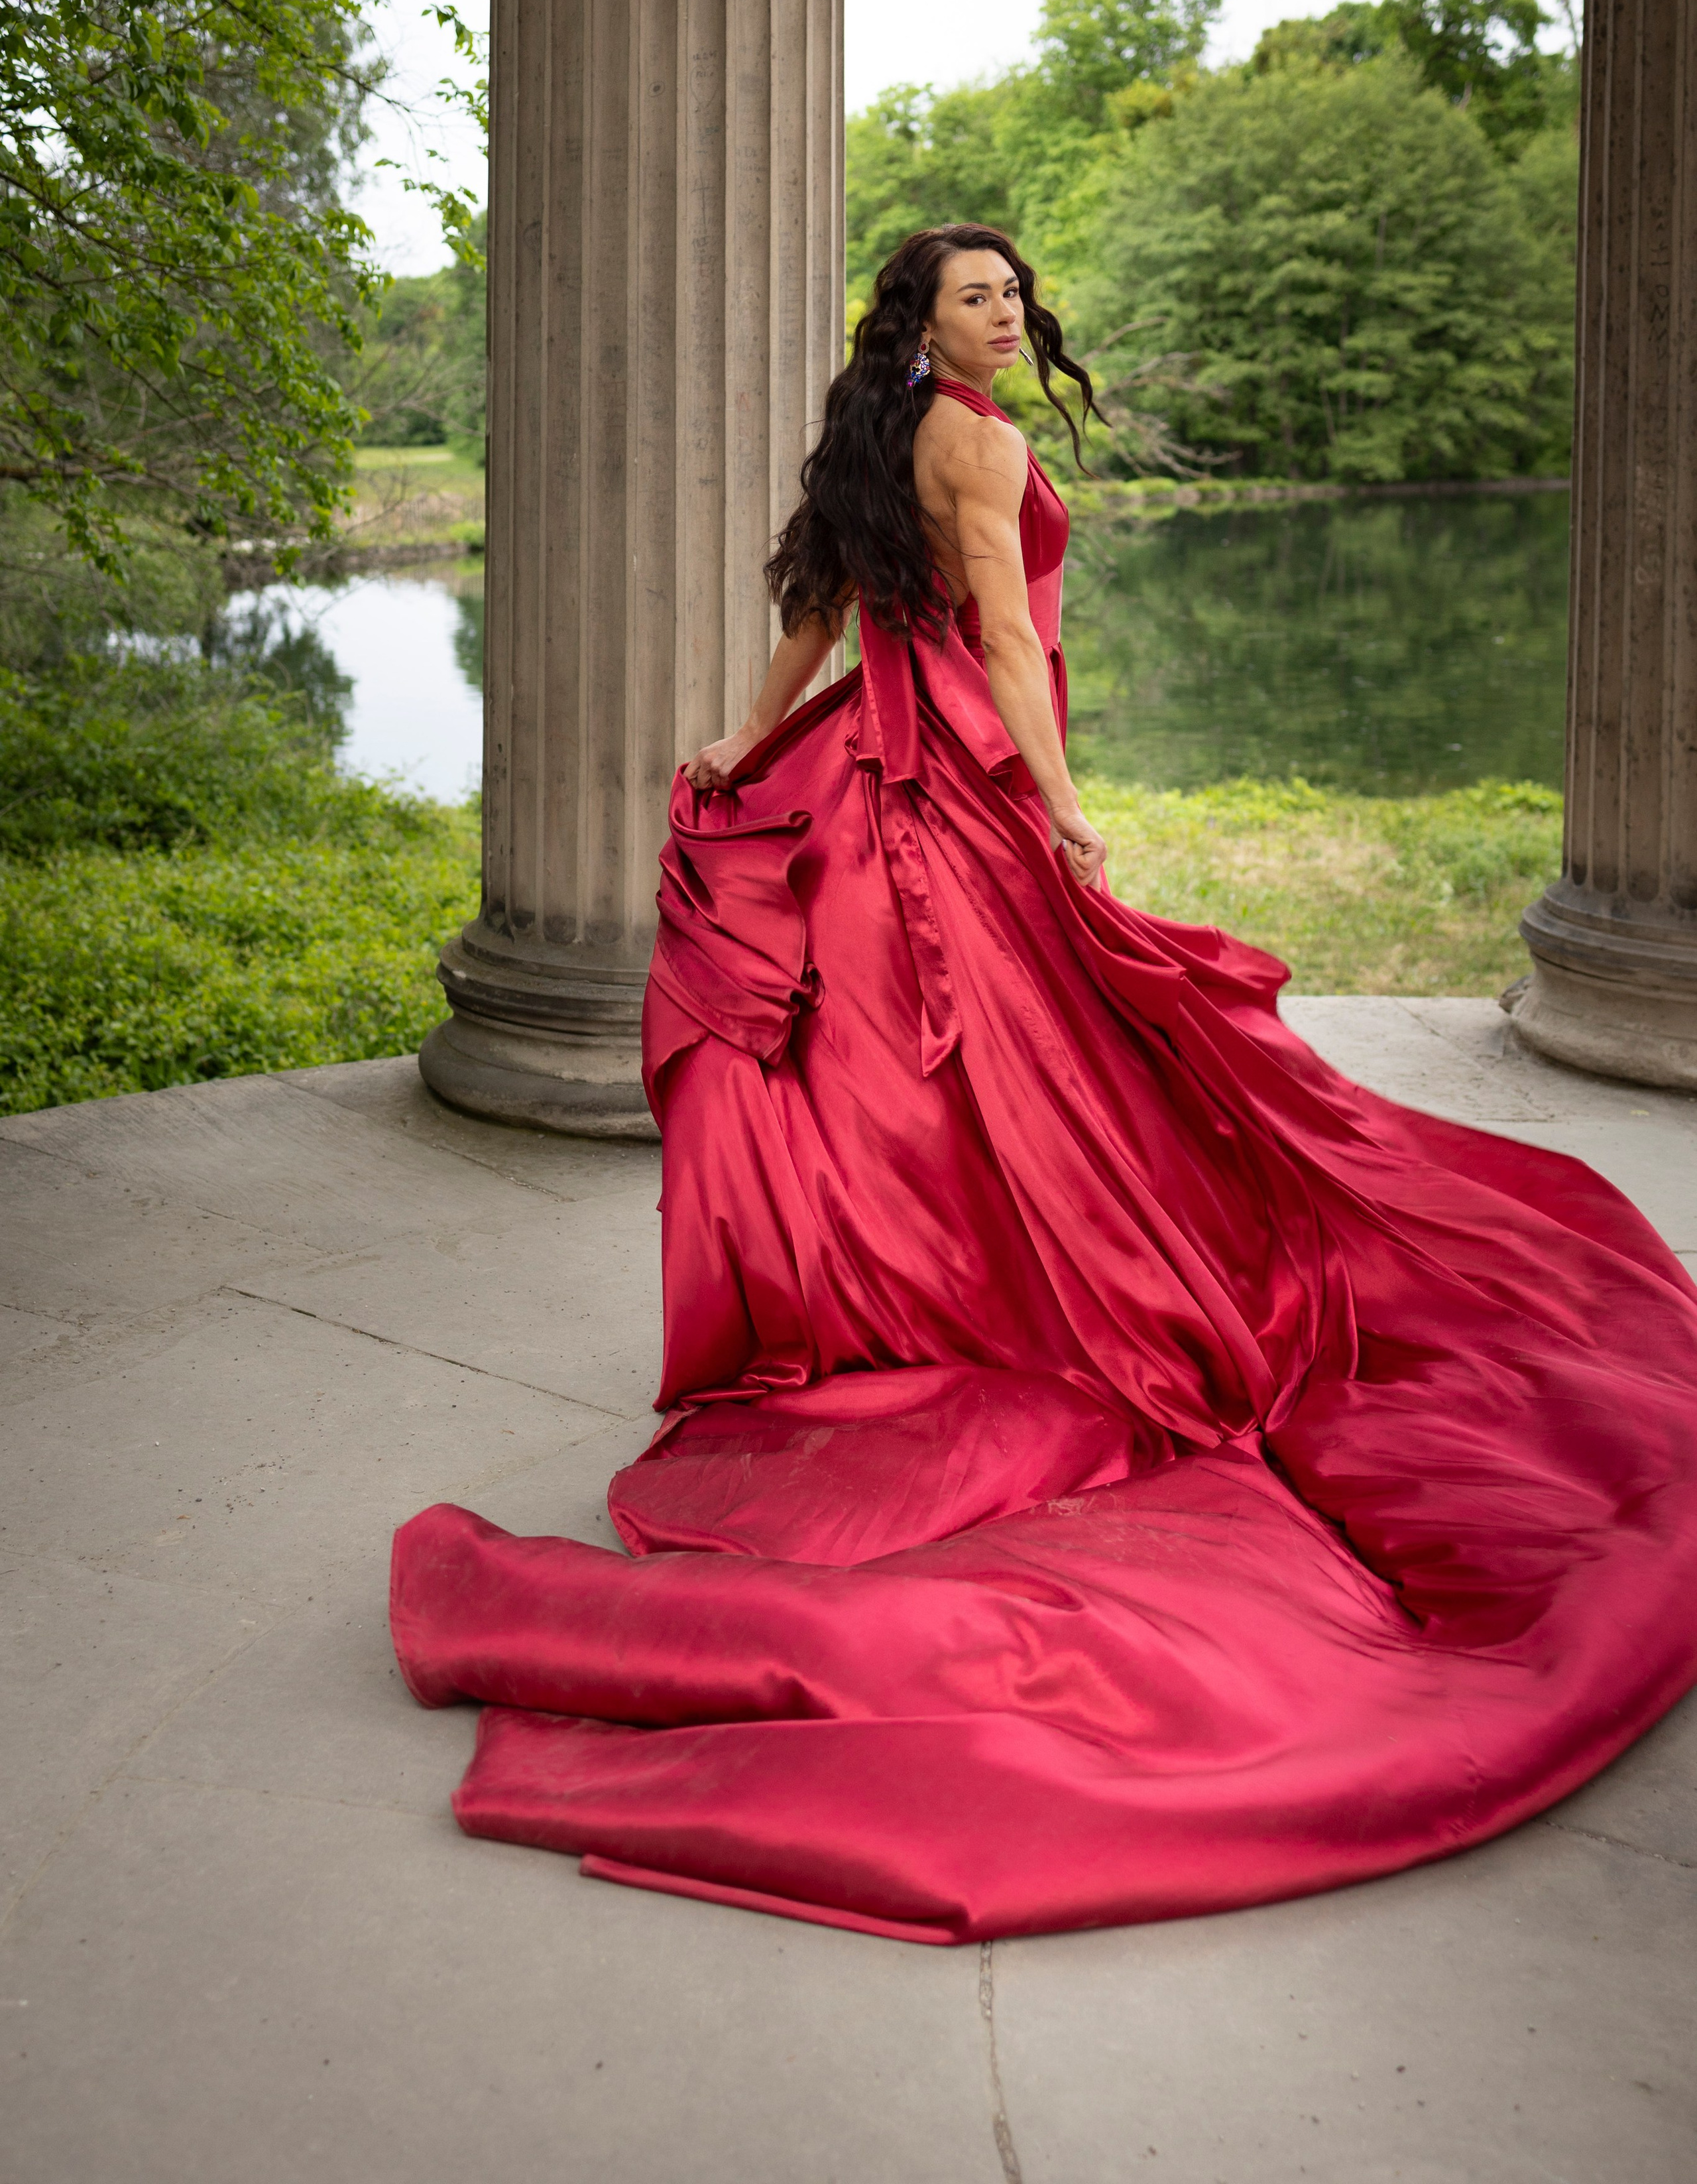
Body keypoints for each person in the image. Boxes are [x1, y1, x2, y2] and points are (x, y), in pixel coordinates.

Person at [391, 225, 1697, 1946]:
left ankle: (917, 1315)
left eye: (1013, 292)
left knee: (925, 1097)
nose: (1007, 314)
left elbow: (823, 608)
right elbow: (1007, 646)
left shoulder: (880, 432)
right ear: (925, 325)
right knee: (1049, 1076)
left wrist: (737, 736)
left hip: (863, 792)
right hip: (960, 806)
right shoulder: (985, 443)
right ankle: (1017, 1313)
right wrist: (1068, 808)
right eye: (975, 298)